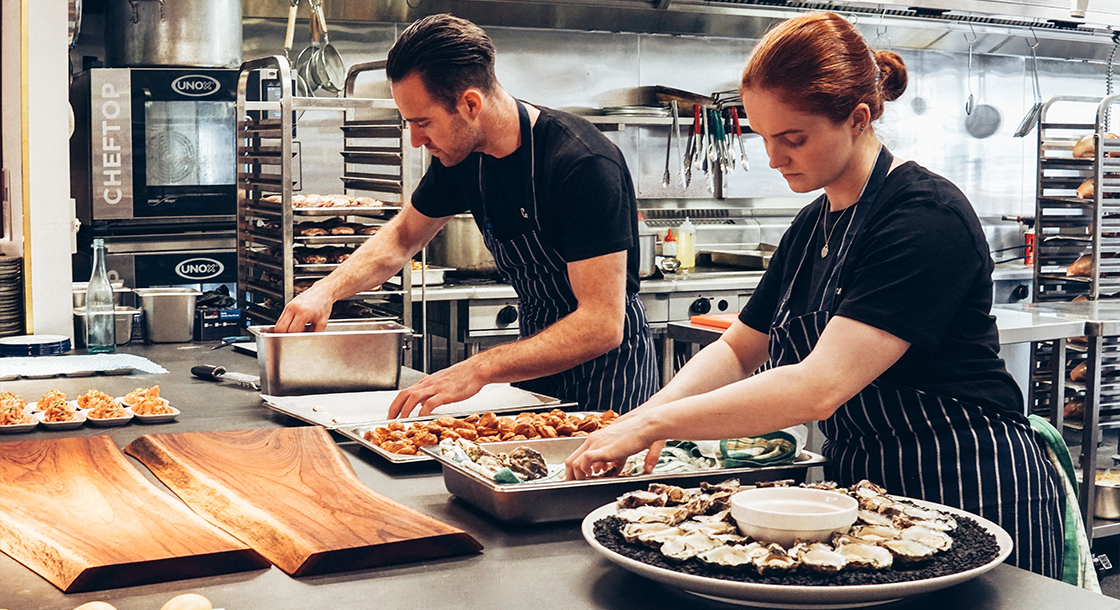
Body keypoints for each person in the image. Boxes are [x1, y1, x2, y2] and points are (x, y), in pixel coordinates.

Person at [565, 12, 1064, 578]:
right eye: (763, 138)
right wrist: (644, 415)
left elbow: (818, 387)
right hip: (868, 494)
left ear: (857, 119)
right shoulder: (812, 225)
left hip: (969, 479)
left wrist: (657, 426)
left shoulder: (924, 217)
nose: (774, 158)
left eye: (792, 138)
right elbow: (737, 351)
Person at [274, 14, 658, 418]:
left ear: (470, 104)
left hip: (611, 382)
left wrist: (479, 368)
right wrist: (325, 291)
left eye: (423, 123)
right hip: (534, 368)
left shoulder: (581, 163)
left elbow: (601, 324)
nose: (416, 140)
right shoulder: (463, 159)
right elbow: (404, 236)